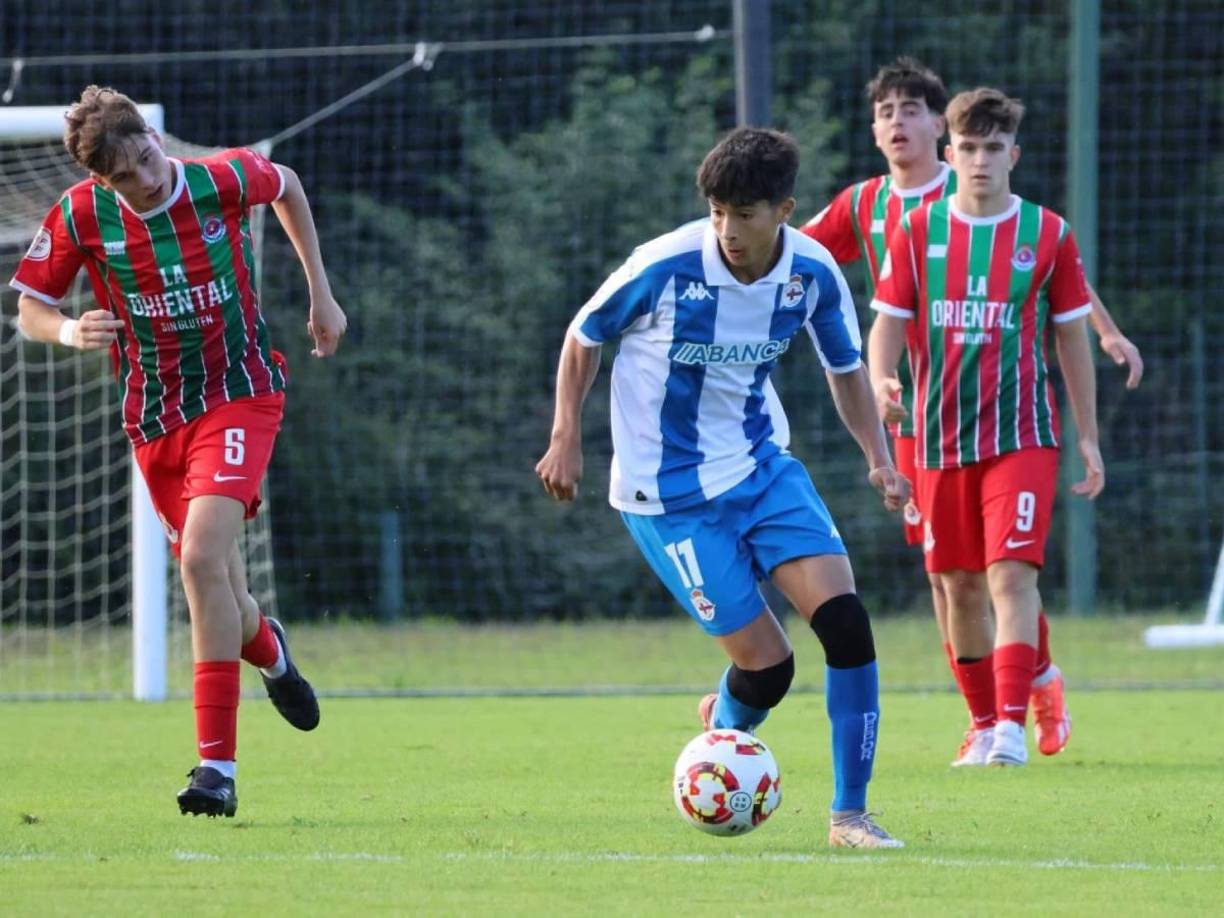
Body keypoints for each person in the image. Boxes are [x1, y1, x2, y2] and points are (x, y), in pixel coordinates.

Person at [536, 127, 908, 847]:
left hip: (762, 467)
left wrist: (879, 460)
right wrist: (564, 437)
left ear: (784, 210)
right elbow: (584, 336)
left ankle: (850, 816)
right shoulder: (667, 264)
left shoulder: (813, 273)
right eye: (717, 212)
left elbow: (845, 371)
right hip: (666, 497)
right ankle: (722, 741)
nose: (728, 230)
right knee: (769, 671)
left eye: (745, 213)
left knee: (847, 626)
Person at [11, 85, 347, 816]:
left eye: (149, 155)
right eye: (129, 173)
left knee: (199, 561)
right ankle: (272, 652)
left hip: (241, 392)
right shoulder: (79, 216)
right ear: (103, 181)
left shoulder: (216, 178)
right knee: (222, 585)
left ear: (155, 141)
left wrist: (321, 293)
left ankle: (215, 772)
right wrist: (69, 331)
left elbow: (285, 183)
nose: (150, 175)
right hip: (156, 418)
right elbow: (30, 305)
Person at [803, 58, 1141, 765]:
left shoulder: (1017, 213)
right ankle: (999, 705)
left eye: (911, 109)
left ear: (940, 131)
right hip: (922, 424)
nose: (899, 121)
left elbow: (1060, 292)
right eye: (886, 110)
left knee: (1007, 573)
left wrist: (1103, 337)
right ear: (875, 130)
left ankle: (1015, 710)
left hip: (1013, 423)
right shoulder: (871, 210)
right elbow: (799, 262)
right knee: (949, 579)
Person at [868, 87, 1102, 766]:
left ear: (1013, 156)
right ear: (951, 154)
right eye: (967, 148)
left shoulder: (1048, 234)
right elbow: (887, 323)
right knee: (956, 584)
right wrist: (883, 378)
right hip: (937, 441)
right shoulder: (914, 231)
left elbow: (1071, 340)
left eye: (992, 148)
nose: (978, 160)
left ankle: (1007, 728)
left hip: (1021, 436)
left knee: (1009, 575)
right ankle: (981, 720)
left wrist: (1087, 435)